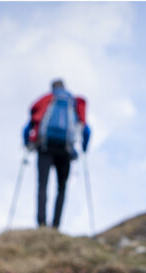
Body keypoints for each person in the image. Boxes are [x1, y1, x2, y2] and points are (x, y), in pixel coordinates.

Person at [22, 79, 91, 229]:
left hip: (45, 147)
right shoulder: (73, 103)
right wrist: (83, 148)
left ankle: (41, 223)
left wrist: (27, 143)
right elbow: (86, 130)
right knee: (61, 188)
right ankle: (56, 225)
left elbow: (29, 125)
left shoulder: (47, 100)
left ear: (52, 88)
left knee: (42, 185)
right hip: (65, 150)